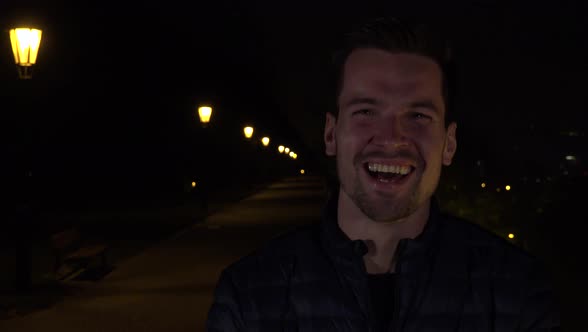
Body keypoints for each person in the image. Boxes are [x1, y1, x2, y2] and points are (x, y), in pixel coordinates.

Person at [207, 17, 560, 331]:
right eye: (365, 112)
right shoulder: (247, 296)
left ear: (449, 144)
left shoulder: (519, 292)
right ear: (331, 134)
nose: (391, 138)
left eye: (418, 116)